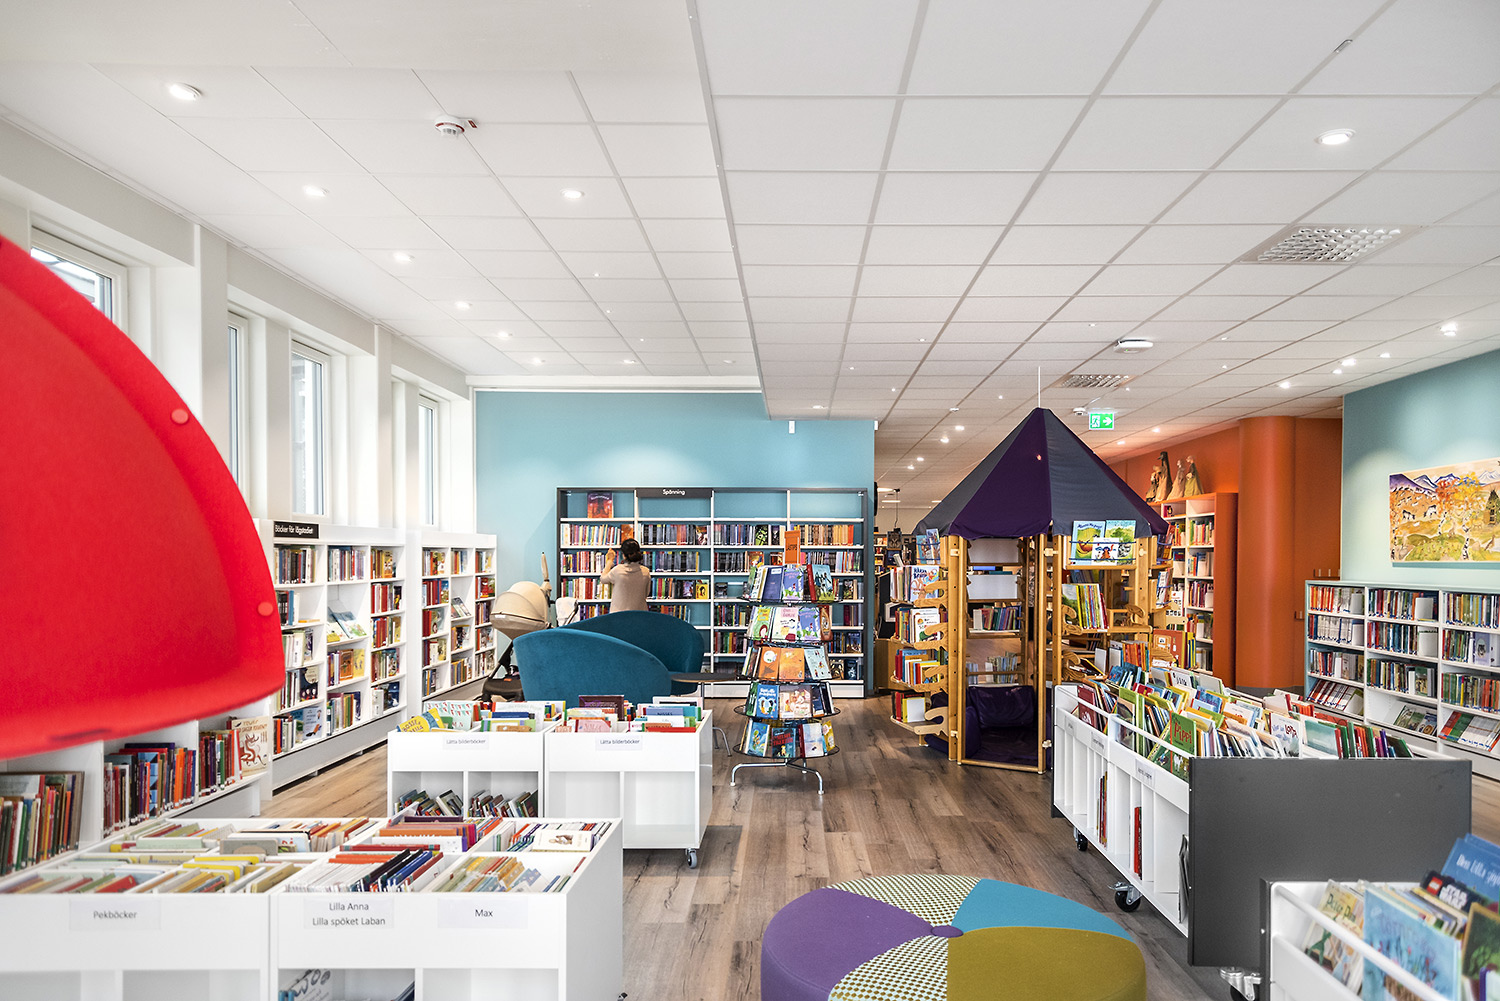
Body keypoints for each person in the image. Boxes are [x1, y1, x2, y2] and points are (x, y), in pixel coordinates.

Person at [600, 538, 650, 612]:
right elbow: (646, 593)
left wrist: (610, 561)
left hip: (619, 614)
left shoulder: (617, 570)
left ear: (624, 555)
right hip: (639, 613)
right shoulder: (646, 571)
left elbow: (603, 579)